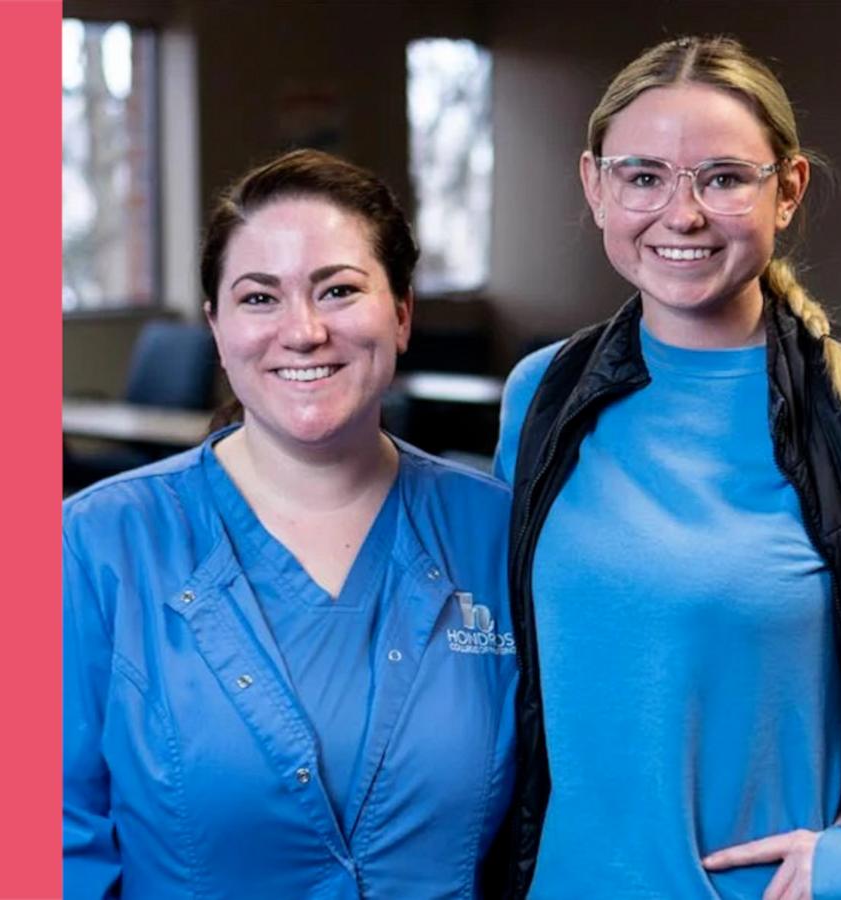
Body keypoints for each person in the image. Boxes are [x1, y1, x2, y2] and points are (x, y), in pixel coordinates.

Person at [489, 36, 841, 899]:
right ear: (595, 186)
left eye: (722, 178)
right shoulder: (543, 395)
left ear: (786, 190)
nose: (682, 214)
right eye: (643, 177)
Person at [63, 149, 517, 898]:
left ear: (402, 313)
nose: (303, 331)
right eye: (259, 298)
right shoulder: (98, 546)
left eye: (338, 290)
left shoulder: (497, 535)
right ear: (215, 325)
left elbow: (606, 769)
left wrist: (783, 820)